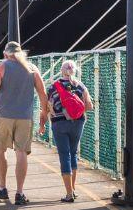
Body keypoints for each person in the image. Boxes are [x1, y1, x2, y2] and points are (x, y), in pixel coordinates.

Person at [0, 41, 48, 205]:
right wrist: (44, 114)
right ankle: (20, 193)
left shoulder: (2, 66)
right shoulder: (32, 68)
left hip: (5, 116)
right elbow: (42, 93)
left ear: (6, 54)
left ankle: (3, 188)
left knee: (0, 150)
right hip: (25, 117)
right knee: (21, 153)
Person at [40, 59, 94, 202]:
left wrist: (43, 123)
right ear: (74, 71)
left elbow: (46, 108)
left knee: (65, 155)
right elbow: (89, 106)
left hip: (59, 124)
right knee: (73, 153)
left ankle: (69, 194)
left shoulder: (53, 87)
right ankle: (73, 189)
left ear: (61, 71)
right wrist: (75, 111)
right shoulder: (80, 86)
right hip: (78, 123)